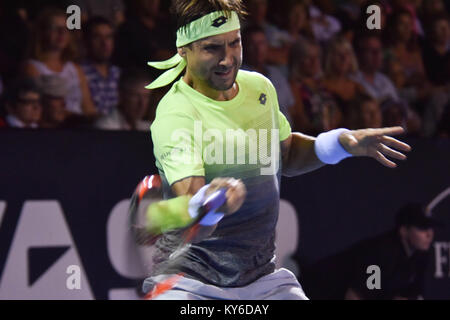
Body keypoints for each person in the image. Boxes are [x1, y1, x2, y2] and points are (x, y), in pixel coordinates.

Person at [143, 0, 412, 300]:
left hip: (261, 280)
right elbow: (191, 203)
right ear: (184, 49)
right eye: (212, 48)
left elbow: (285, 155)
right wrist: (212, 202)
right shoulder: (176, 114)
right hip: (190, 285)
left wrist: (340, 144)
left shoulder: (260, 89)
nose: (227, 59)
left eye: (234, 43)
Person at [345, 203, 438, 300]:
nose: (429, 234)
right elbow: (354, 295)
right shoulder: (380, 253)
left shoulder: (420, 256)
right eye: (422, 228)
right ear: (403, 231)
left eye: (431, 227)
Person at [22, 7, 97, 117]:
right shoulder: (31, 67)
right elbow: (43, 110)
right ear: (42, 32)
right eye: (54, 28)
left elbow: (88, 108)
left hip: (79, 127)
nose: (62, 32)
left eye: (66, 28)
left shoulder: (75, 69)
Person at [241, 25, 295, 124]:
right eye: (252, 44)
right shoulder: (240, 77)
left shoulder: (276, 73)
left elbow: (290, 107)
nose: (258, 49)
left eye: (261, 43)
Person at [82, 16, 121, 116]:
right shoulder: (79, 73)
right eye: (97, 37)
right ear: (86, 41)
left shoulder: (118, 74)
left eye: (108, 37)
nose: (104, 43)